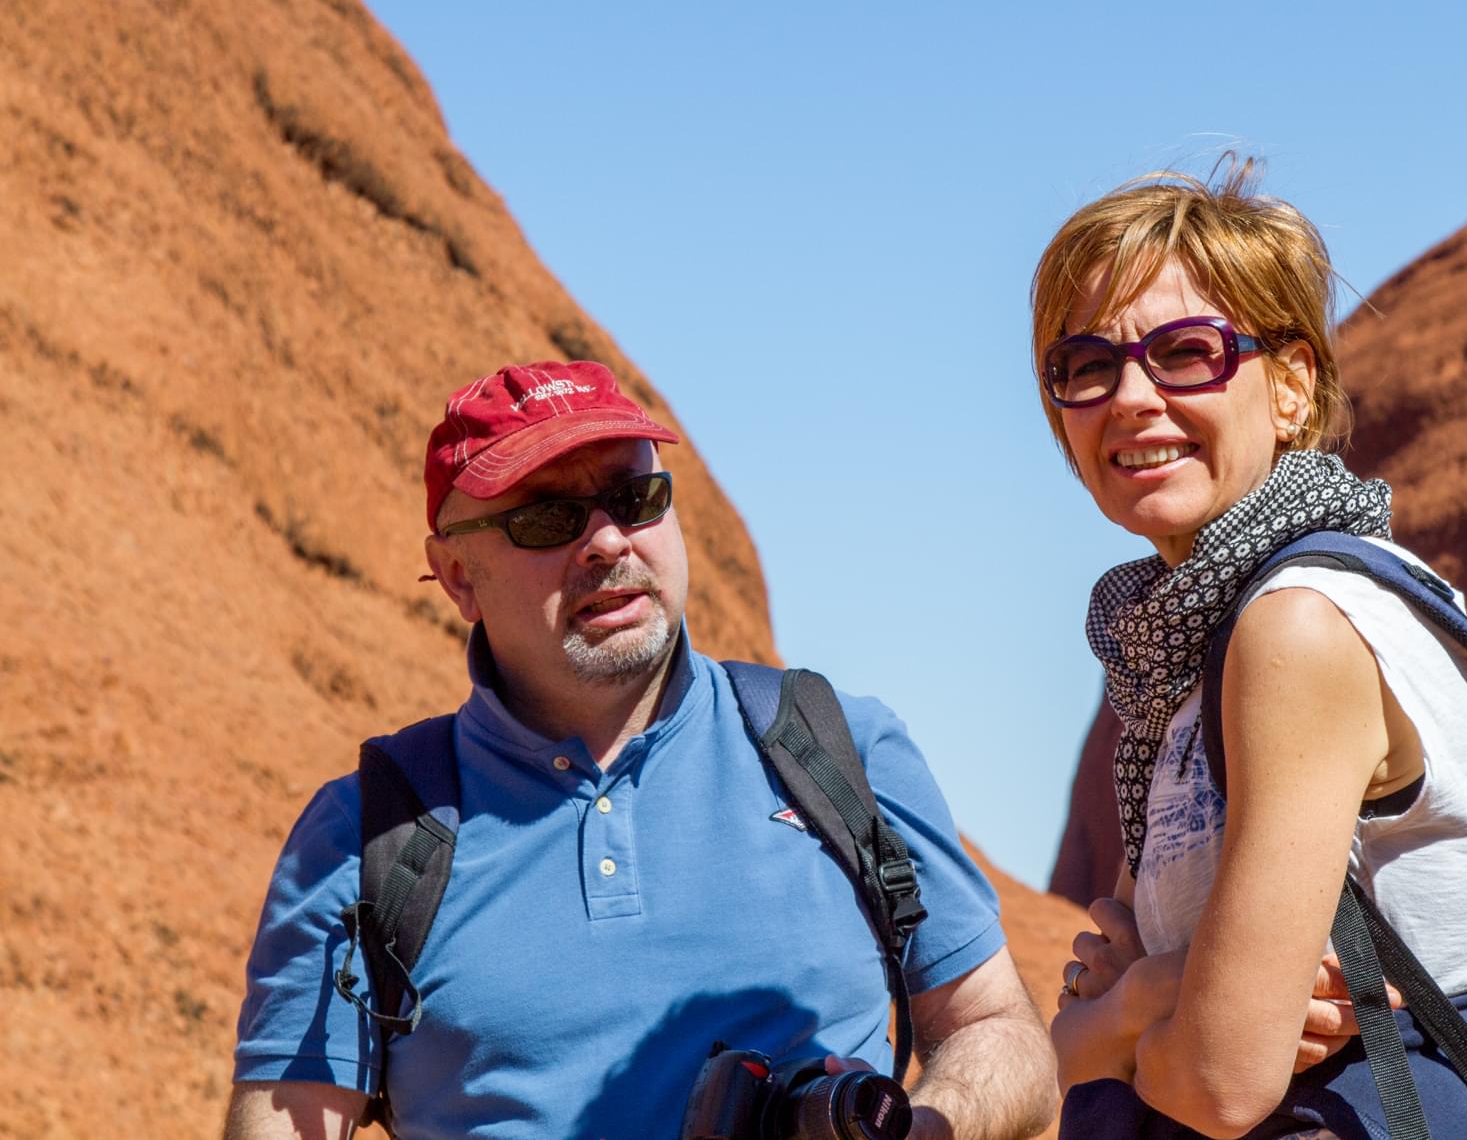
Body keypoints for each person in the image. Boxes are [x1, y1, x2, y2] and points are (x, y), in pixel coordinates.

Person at [224, 360, 1058, 1140]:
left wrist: (911, 1127)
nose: (608, 543)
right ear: (457, 575)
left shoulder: (838, 747)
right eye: (548, 516)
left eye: (635, 497)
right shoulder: (369, 832)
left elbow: (998, 1029)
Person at [1033, 165, 1467, 1138]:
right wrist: (1143, 1006)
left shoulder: (1296, 623)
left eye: (1184, 353)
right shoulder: (1184, 651)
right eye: (1084, 365)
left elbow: (1217, 1082)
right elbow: (1059, 1052)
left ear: (1290, 385)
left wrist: (1131, 1013)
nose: (1129, 397)